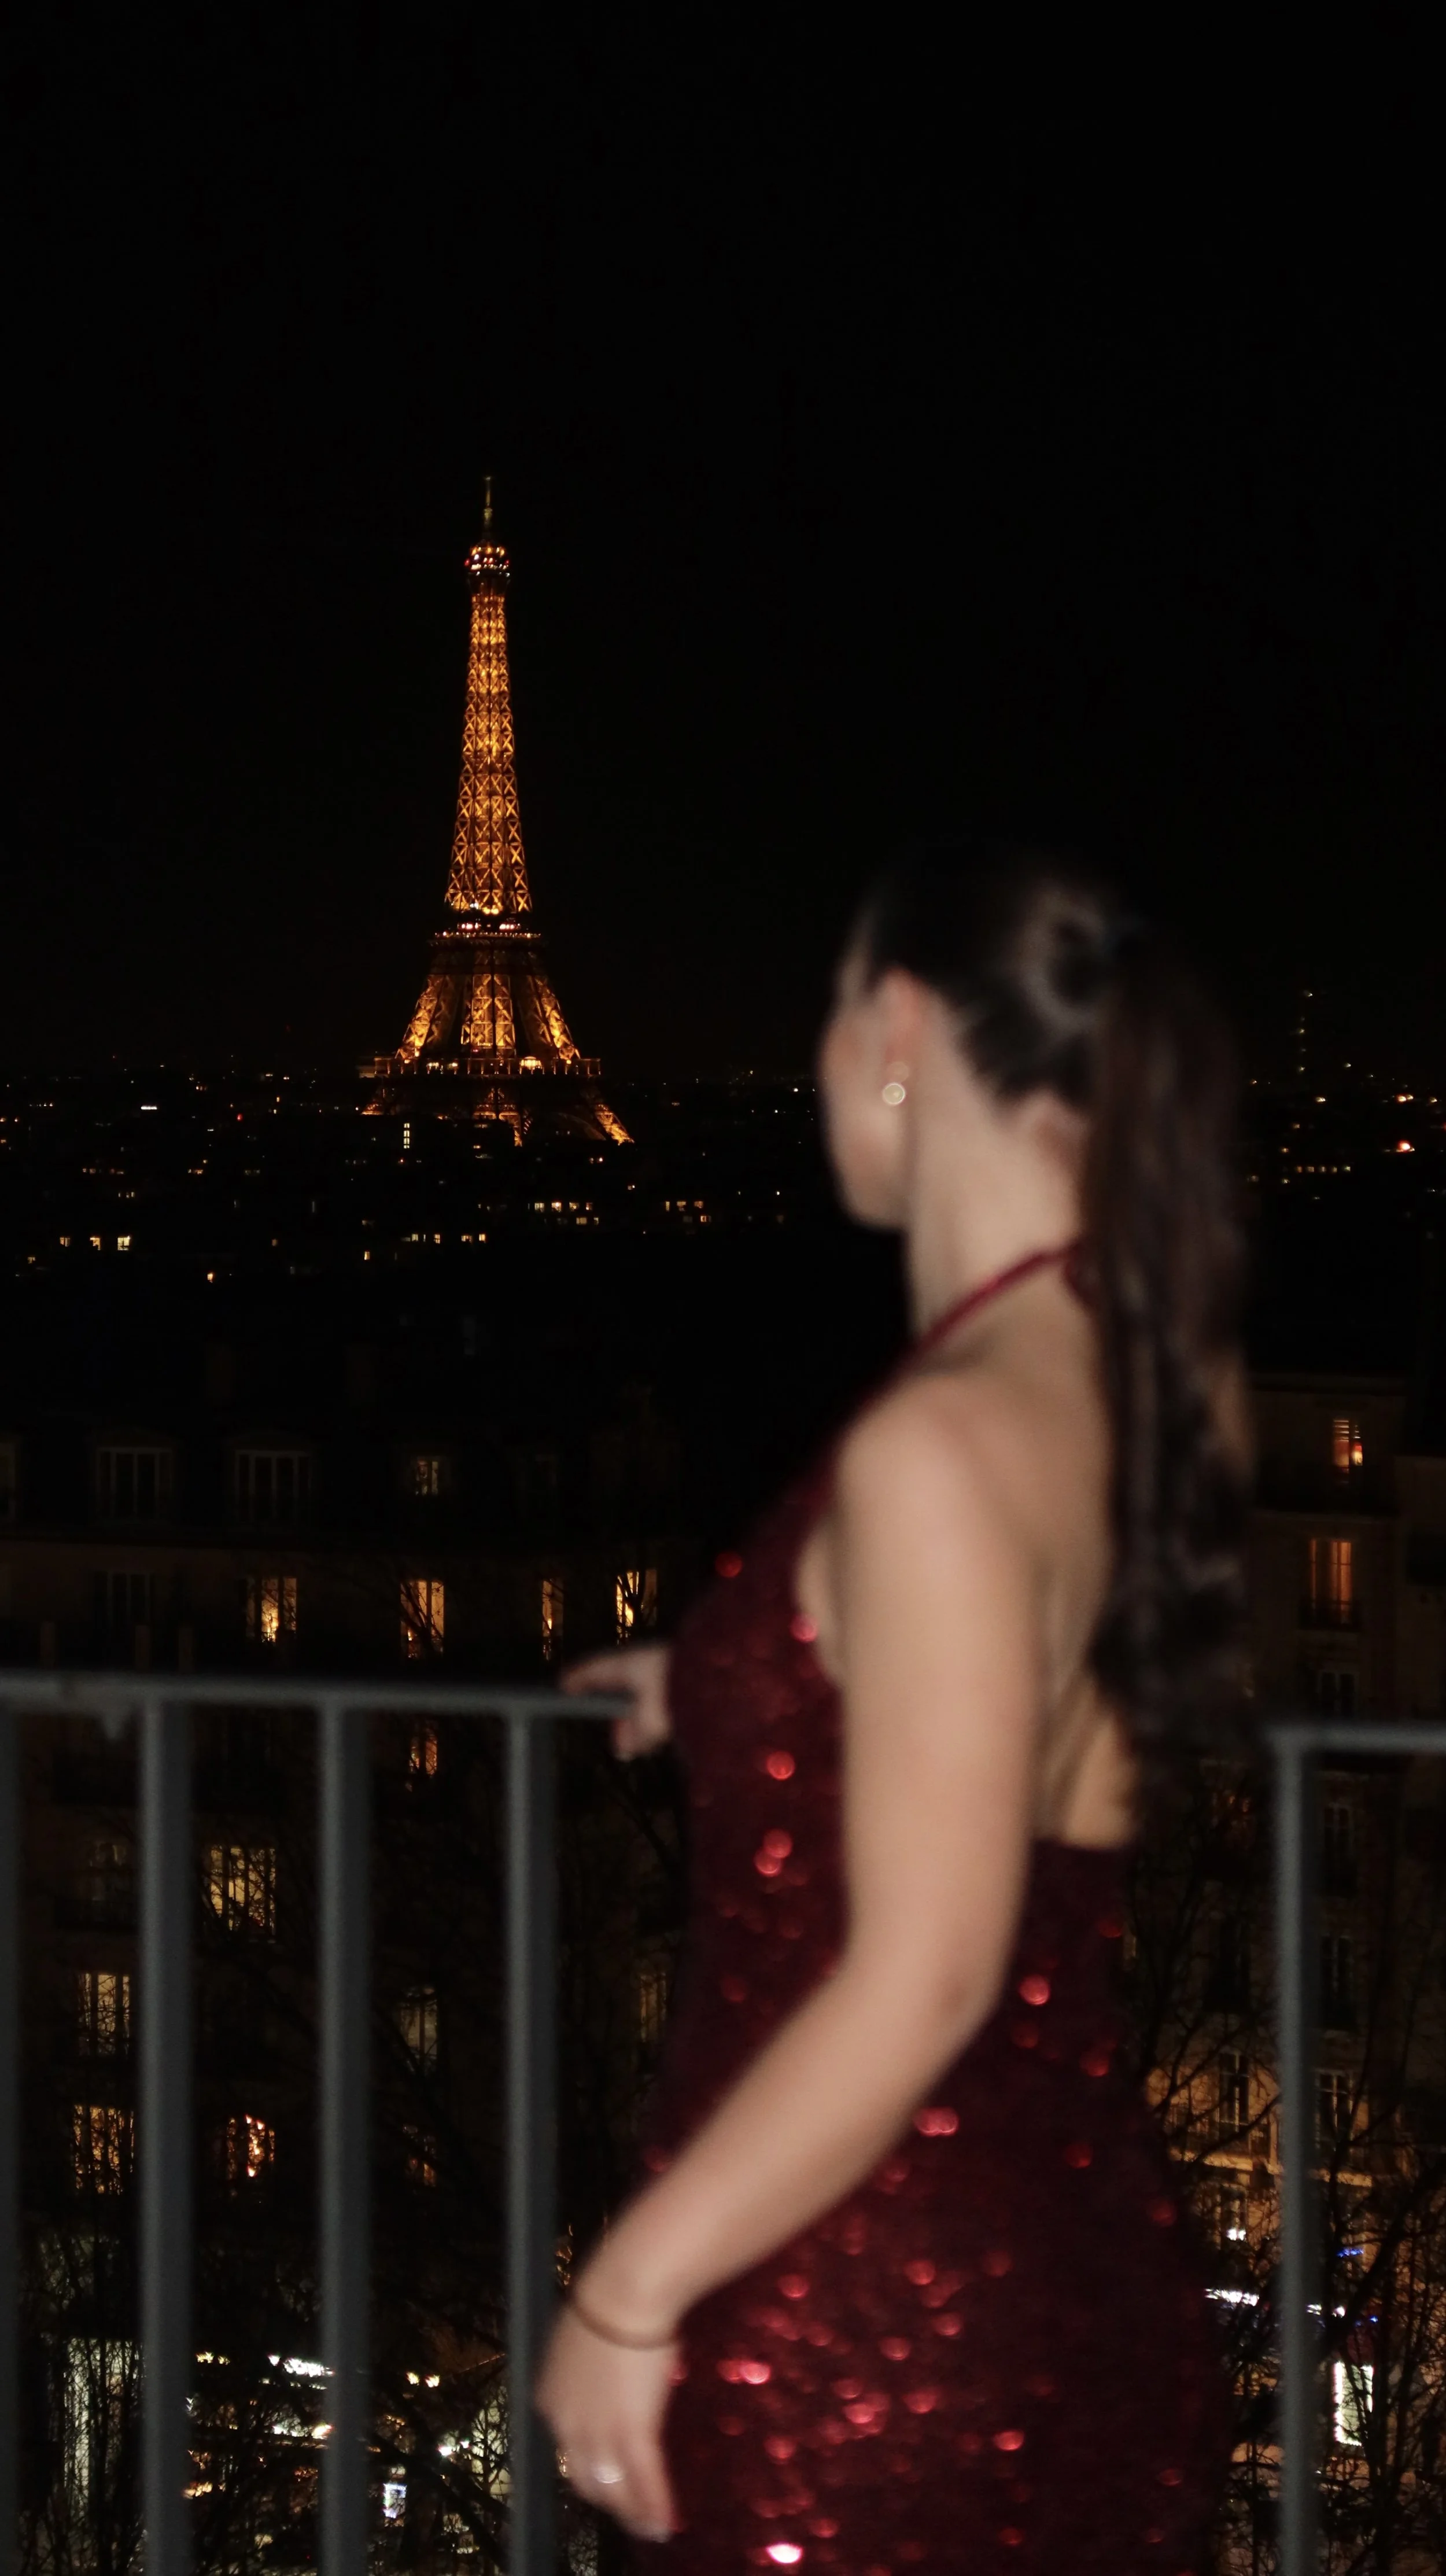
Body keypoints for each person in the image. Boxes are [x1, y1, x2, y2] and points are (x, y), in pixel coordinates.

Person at [540, 845, 1248, 2574]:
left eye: (830, 1013)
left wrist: (626, 2295)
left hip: (856, 2309)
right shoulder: (1161, 1378)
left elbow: (925, 1972)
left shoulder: (936, 1446)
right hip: (1086, 2274)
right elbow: (1011, 1698)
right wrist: (739, 1677)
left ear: (903, 1028)